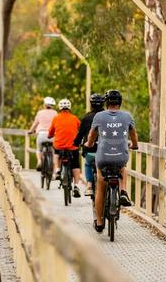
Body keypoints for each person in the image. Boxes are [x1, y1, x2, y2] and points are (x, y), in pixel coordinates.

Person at [85, 90, 138, 233]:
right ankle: (123, 191)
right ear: (120, 103)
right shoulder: (127, 116)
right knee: (122, 168)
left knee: (100, 187)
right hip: (121, 156)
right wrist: (135, 145)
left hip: (103, 157)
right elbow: (133, 133)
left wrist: (89, 144)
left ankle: (100, 222)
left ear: (106, 103)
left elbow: (92, 135)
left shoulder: (99, 116)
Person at [48, 98, 82, 198]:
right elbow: (80, 129)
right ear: (69, 107)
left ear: (59, 107)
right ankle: (76, 186)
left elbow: (51, 131)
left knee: (56, 153)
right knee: (75, 164)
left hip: (59, 145)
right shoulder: (75, 118)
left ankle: (58, 169)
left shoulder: (56, 118)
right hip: (72, 146)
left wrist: (50, 136)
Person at [73, 93, 105, 197]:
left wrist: (75, 143)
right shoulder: (108, 116)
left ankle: (90, 185)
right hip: (106, 150)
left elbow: (80, 134)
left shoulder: (86, 117)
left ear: (91, 104)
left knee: (88, 163)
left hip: (91, 150)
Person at [28, 97, 57, 171]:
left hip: (41, 135)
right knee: (54, 152)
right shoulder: (55, 113)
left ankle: (39, 161)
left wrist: (31, 131)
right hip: (52, 136)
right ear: (52, 105)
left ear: (44, 104)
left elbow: (35, 124)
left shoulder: (40, 113)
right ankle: (54, 168)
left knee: (39, 150)